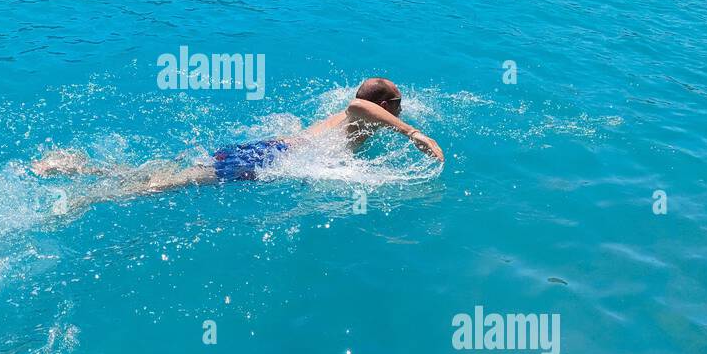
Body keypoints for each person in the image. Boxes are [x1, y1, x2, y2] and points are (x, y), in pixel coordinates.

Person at [32, 77, 443, 204]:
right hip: (271, 157)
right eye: (399, 104)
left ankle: (80, 166)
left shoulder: (355, 118)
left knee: (181, 171)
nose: (403, 109)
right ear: (388, 104)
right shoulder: (362, 113)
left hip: (271, 147)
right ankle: (86, 198)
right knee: (178, 181)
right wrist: (413, 133)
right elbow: (358, 105)